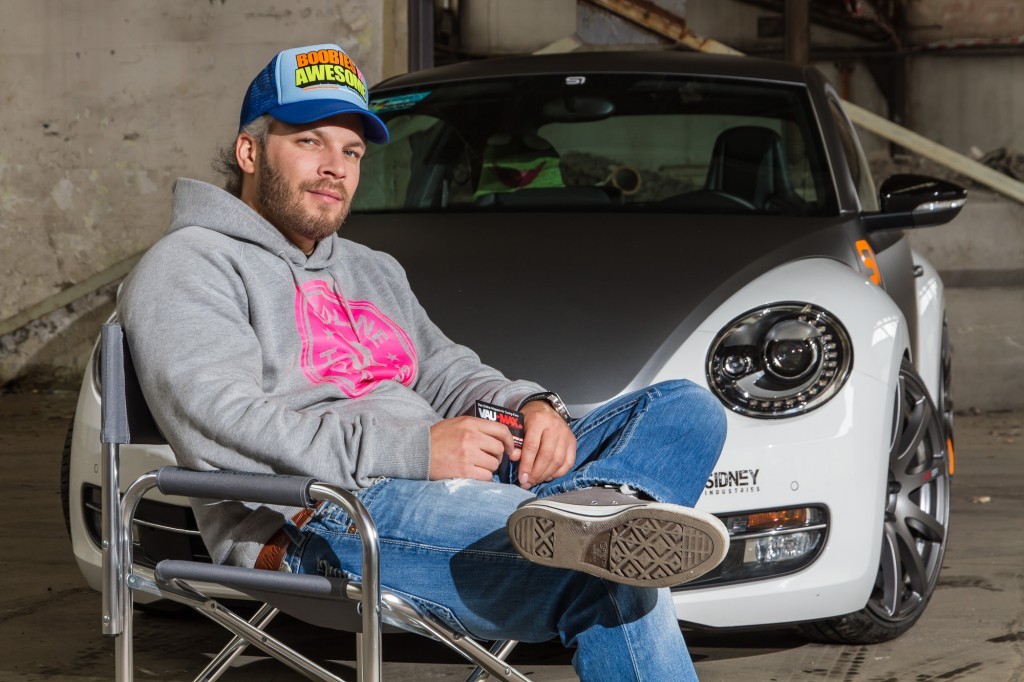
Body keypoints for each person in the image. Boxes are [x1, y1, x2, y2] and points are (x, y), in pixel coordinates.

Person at [119, 43, 729, 681]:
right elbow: (223, 424)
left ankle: (593, 509)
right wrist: (416, 452)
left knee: (685, 410)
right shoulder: (189, 263)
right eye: (309, 141)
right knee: (607, 573)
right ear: (250, 151)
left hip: (449, 481)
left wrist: (531, 406)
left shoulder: (371, 267)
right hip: (318, 513)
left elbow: (442, 371)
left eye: (352, 151)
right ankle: (586, 531)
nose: (334, 167)